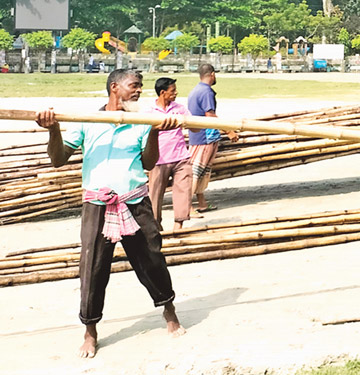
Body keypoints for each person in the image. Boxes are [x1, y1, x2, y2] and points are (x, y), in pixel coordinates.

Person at [34, 69, 186, 359]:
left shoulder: (141, 122)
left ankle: (169, 310)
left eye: (140, 86)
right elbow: (57, 160)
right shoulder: (88, 121)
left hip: (135, 202)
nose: (139, 91)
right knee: (92, 267)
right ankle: (90, 331)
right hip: (97, 205)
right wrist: (53, 129)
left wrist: (154, 130)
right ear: (114, 88)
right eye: (134, 86)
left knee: (152, 258)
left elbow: (149, 162)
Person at [186, 63, 239, 215]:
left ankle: (202, 203)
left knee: (203, 172)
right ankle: (188, 208)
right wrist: (229, 131)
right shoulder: (206, 92)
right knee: (196, 172)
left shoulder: (196, 90)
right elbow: (210, 116)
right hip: (204, 137)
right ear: (212, 74)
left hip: (200, 135)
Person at [146, 77, 192, 231]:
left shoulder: (180, 109)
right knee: (155, 194)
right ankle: (156, 225)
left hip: (181, 157)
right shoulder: (149, 112)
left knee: (183, 190)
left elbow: (195, 126)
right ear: (163, 93)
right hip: (159, 159)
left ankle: (178, 225)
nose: (176, 93)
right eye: (173, 91)